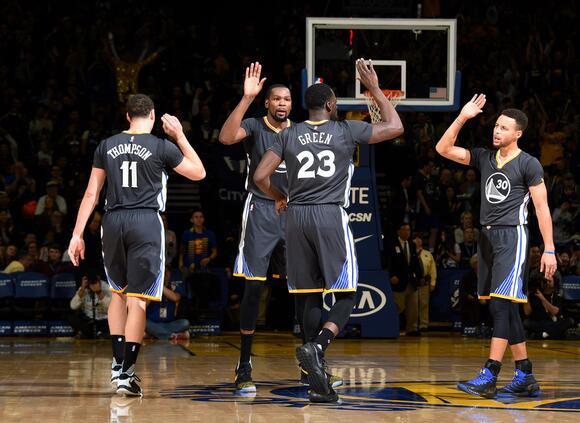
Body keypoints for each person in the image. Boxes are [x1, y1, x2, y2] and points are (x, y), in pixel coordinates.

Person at [254, 58, 403, 402]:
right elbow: (394, 126)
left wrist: (279, 197)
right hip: (329, 215)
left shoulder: (288, 133)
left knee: (307, 295)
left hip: (296, 217)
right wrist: (374, 88)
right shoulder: (345, 130)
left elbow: (260, 176)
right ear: (332, 105)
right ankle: (318, 347)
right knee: (347, 293)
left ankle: (315, 379)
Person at [67, 94, 205, 396]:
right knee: (139, 299)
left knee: (118, 294)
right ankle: (127, 374)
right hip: (145, 221)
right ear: (153, 116)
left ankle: (118, 365)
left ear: (127, 117)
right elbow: (199, 172)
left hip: (113, 221)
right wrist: (180, 136)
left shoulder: (106, 145)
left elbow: (91, 193)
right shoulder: (161, 146)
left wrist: (77, 234)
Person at [436, 94, 557, 399]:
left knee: (501, 305)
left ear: (518, 134)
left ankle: (490, 374)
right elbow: (443, 149)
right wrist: (463, 117)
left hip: (512, 237)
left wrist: (549, 248)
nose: (497, 130)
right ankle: (525, 374)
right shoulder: (485, 158)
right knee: (505, 306)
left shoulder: (529, 163)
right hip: (487, 238)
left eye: (504, 128)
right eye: (496, 126)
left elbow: (542, 208)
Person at [218, 62, 292, 393]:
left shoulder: (299, 131)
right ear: (267, 103)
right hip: (261, 209)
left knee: (304, 287)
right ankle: (244, 364)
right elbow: (225, 138)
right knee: (253, 287)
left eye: (286, 99)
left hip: (292, 212)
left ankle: (311, 362)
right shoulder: (254, 125)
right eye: (276, 98)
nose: (281, 103)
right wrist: (246, 98)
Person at [389, 223, 422, 335]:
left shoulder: (412, 245)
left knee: (413, 308)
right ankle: (392, 328)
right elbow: (388, 262)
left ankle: (412, 329)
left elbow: (415, 262)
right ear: (398, 231)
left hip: (411, 282)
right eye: (404, 229)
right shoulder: (392, 245)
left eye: (408, 230)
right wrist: (391, 275)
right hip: (398, 282)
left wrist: (420, 276)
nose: (407, 232)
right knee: (398, 306)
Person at [523, 274, 574, 339]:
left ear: (554, 283)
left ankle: (544, 335)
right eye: (545, 281)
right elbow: (527, 312)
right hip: (539, 322)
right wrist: (526, 297)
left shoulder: (557, 296)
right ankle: (555, 332)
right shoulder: (535, 295)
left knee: (570, 320)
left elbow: (555, 312)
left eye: (549, 281)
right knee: (526, 323)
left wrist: (543, 299)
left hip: (552, 322)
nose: (547, 283)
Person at [145, 266, 190, 340]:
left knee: (185, 323)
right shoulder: (149, 282)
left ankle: (155, 334)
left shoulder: (173, 282)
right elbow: (145, 304)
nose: (164, 276)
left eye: (166, 274)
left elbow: (175, 298)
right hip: (152, 322)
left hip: (169, 323)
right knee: (145, 324)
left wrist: (160, 286)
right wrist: (153, 287)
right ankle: (172, 335)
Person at [69, 271, 111, 339]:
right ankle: (94, 334)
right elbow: (73, 306)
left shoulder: (106, 287)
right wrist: (82, 289)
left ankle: (102, 334)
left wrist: (99, 292)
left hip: (104, 320)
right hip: (89, 320)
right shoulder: (83, 289)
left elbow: (111, 308)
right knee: (72, 318)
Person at [414, 234, 437, 332]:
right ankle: (413, 325)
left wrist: (433, 283)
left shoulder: (427, 254)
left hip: (425, 282)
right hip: (413, 282)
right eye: (415, 239)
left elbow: (432, 270)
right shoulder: (410, 252)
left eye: (419, 238)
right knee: (413, 305)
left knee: (424, 304)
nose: (418, 240)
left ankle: (423, 324)